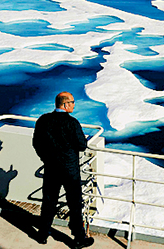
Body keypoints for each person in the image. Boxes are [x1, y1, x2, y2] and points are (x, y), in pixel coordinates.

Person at [32, 92, 94, 248]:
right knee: (74, 203)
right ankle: (79, 238)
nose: (74, 105)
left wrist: (45, 159)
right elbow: (81, 145)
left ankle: (42, 234)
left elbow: (36, 143)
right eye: (72, 102)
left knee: (49, 201)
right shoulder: (72, 123)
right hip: (70, 170)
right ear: (65, 105)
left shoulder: (43, 120)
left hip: (51, 168)